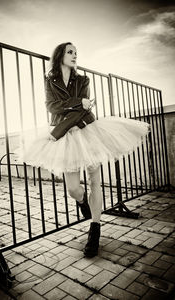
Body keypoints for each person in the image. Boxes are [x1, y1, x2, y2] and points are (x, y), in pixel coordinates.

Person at [21, 42, 150, 258]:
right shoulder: (49, 80)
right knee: (73, 188)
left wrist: (76, 106)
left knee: (95, 180)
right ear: (60, 55)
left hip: (87, 129)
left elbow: (84, 110)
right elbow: (51, 106)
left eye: (76, 53)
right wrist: (77, 102)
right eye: (70, 52)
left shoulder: (83, 79)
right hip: (64, 134)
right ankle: (82, 202)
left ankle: (95, 229)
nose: (74, 55)